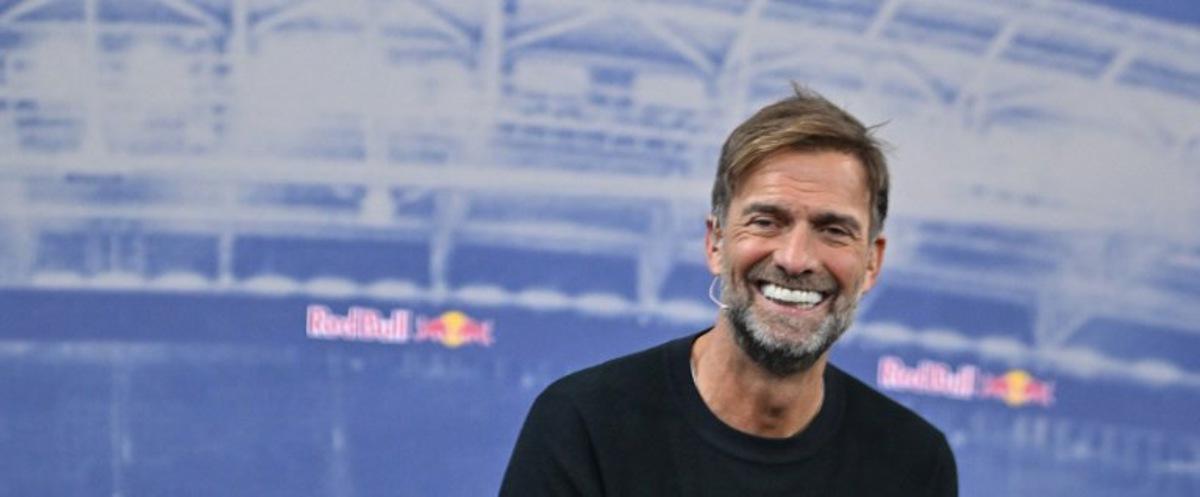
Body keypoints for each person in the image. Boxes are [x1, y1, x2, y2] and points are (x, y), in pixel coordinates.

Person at [499, 86, 957, 496]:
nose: (795, 258)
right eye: (766, 221)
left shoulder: (915, 465)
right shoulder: (584, 424)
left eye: (833, 230)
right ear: (715, 243)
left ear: (872, 262)